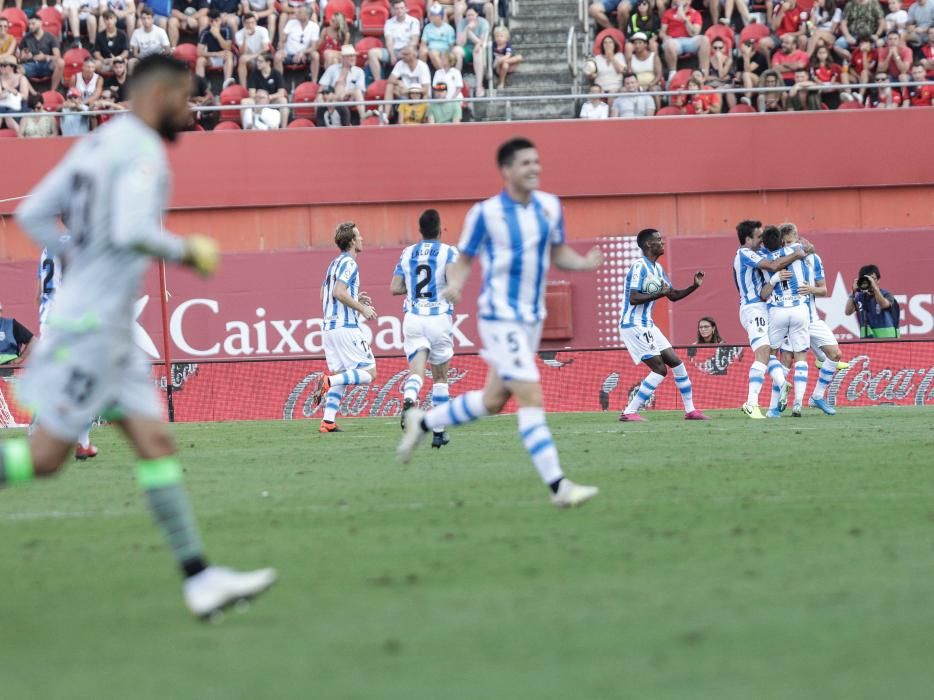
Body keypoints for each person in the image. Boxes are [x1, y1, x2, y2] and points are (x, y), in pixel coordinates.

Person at [8, 55, 277, 618]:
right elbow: (132, 230)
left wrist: (76, 258)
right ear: (160, 93)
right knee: (46, 457)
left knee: (154, 445)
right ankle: (199, 576)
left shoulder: (92, 147)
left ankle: (199, 577)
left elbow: (33, 214)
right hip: (93, 328)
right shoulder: (143, 151)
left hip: (104, 324)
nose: (192, 108)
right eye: (186, 96)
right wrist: (187, 250)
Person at [397, 137, 604, 509]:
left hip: (531, 318)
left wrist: (583, 264)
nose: (534, 168)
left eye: (537, 161)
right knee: (531, 396)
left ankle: (422, 422)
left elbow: (558, 254)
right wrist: (456, 284)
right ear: (507, 170)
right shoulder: (486, 213)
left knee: (494, 401)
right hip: (499, 315)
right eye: (526, 163)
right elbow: (463, 259)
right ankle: (559, 486)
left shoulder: (550, 206)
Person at [617, 229, 709, 422]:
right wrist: (659, 293)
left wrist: (694, 286)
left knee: (677, 363)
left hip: (648, 324)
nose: (662, 243)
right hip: (633, 325)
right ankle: (628, 412)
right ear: (649, 244)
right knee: (659, 369)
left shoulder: (657, 269)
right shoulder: (639, 267)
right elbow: (633, 298)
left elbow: (672, 295)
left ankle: (691, 411)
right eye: (658, 240)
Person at [390, 209, 459, 448]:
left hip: (414, 319)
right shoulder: (449, 252)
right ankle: (439, 433)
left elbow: (395, 288)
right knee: (440, 377)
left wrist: (415, 289)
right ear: (440, 230)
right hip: (438, 319)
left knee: (416, 373)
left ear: (420, 231)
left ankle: (410, 398)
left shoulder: (407, 253)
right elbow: (452, 283)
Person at [732, 219, 808, 419]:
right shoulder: (744, 253)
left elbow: (795, 249)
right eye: (758, 237)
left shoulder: (759, 252)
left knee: (769, 353)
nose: (761, 241)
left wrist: (798, 248)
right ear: (747, 239)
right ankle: (751, 403)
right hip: (752, 308)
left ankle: (782, 384)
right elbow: (774, 265)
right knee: (764, 351)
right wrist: (796, 254)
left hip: (765, 307)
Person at [311, 223, 378, 433]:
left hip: (328, 329)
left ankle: (328, 421)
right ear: (351, 242)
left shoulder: (333, 264)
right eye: (358, 236)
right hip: (345, 327)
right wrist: (362, 309)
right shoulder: (349, 264)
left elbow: (325, 295)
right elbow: (339, 292)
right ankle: (327, 381)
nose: (362, 239)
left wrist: (355, 297)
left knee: (342, 373)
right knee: (369, 372)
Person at [777, 223, 848, 416]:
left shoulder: (813, 258)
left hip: (812, 319)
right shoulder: (779, 258)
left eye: (797, 237)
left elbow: (823, 289)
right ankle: (775, 406)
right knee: (786, 360)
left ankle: (816, 397)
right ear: (783, 241)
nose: (795, 242)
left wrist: (811, 290)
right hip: (791, 320)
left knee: (835, 355)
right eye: (790, 240)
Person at [758, 225, 812, 418]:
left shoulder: (764, 260)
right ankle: (798, 403)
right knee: (801, 357)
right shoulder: (795, 249)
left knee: (771, 354)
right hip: (799, 308)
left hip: (778, 309)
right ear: (783, 240)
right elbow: (808, 248)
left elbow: (764, 294)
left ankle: (775, 405)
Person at [368, 0, 420, 81]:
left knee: (412, 51)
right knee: (372, 53)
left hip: (408, 50)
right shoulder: (389, 23)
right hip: (393, 51)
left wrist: (404, 52)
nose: (399, 11)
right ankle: (378, 82)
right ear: (393, 10)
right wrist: (392, 55)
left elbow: (414, 41)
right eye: (397, 9)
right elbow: (389, 41)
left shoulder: (414, 21)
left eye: (402, 8)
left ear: (406, 9)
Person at [844, 264, 899, 338]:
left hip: (887, 341)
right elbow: (848, 312)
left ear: (878, 280)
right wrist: (853, 292)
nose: (870, 282)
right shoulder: (860, 297)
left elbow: (883, 304)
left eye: (872, 279)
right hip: (868, 343)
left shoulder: (886, 294)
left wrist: (875, 288)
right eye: (867, 279)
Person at [318, 44, 366, 123]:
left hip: (350, 98)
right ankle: (322, 123)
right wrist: (321, 96)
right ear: (343, 58)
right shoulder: (332, 68)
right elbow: (322, 87)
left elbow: (361, 90)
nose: (353, 58)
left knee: (357, 91)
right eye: (350, 56)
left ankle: (363, 118)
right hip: (332, 97)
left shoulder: (359, 71)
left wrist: (347, 92)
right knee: (319, 97)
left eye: (354, 56)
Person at [19, 16, 65, 92]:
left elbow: (57, 57)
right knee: (18, 69)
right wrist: (25, 57)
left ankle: (53, 91)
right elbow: (21, 56)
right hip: (31, 64)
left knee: (61, 62)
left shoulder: (50, 37)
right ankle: (32, 92)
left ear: (40, 23)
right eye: (29, 24)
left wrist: (44, 56)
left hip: (47, 64)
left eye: (33, 23)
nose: (30, 26)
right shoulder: (26, 38)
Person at [454, 6, 489, 96]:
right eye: (468, 15)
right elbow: (460, 43)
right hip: (466, 48)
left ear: (477, 14)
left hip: (480, 48)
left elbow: (483, 41)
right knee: (457, 50)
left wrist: (477, 43)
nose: (470, 17)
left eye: (472, 15)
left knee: (478, 52)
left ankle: (479, 86)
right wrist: (466, 30)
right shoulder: (462, 23)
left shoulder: (483, 23)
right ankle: (456, 81)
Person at [196, 11, 235, 86]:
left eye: (216, 20)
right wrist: (216, 54)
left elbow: (228, 47)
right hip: (211, 57)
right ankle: (201, 87)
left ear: (220, 20)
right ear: (208, 21)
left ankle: (227, 83)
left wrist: (217, 35)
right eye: (211, 21)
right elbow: (199, 52)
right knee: (200, 60)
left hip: (224, 57)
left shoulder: (226, 29)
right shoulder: (205, 32)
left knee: (229, 54)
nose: (214, 23)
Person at [236, 13, 273, 88]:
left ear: (255, 22)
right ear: (243, 24)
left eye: (252, 22)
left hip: (261, 56)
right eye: (247, 23)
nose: (250, 25)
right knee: (242, 59)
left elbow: (266, 48)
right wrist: (245, 38)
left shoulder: (262, 30)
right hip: (249, 60)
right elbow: (243, 53)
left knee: (261, 59)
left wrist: (254, 56)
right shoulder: (239, 34)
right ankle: (244, 88)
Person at [420, 3, 456, 71]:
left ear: (440, 16)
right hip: (431, 48)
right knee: (426, 52)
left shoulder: (449, 28)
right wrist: (424, 49)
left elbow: (451, 45)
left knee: (437, 54)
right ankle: (424, 73)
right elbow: (423, 43)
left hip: (444, 49)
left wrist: (449, 54)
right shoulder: (427, 27)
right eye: (431, 14)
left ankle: (443, 73)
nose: (431, 16)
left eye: (434, 15)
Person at [0, 301, 35, 366]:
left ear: (1, 312)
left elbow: (33, 340)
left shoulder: (11, 324)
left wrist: (20, 358)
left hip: (7, 369)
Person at [491, 25, 522, 90]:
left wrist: (503, 60)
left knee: (519, 57)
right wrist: (500, 61)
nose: (499, 38)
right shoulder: (493, 44)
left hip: (507, 64)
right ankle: (502, 82)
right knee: (505, 65)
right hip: (498, 67)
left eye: (501, 36)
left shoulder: (507, 45)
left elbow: (508, 55)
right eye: (497, 36)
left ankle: (505, 64)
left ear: (506, 38)